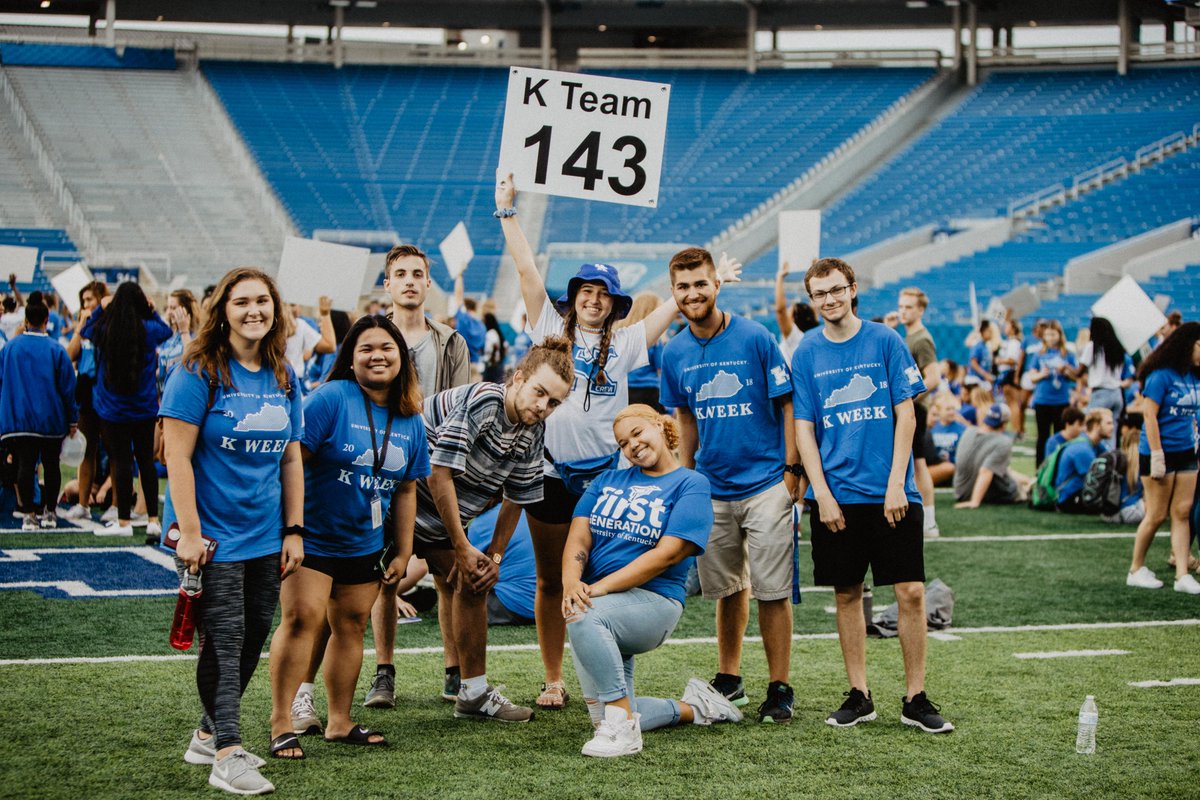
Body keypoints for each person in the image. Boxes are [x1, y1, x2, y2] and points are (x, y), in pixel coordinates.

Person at [496, 173, 683, 711]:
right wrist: (508, 212)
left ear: (615, 303)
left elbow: (675, 302)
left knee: (600, 577)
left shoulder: (626, 342)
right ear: (573, 298)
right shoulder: (548, 329)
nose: (594, 300)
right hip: (550, 471)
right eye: (586, 291)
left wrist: (709, 281)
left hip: (607, 477)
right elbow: (526, 270)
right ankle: (554, 678)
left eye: (603, 294)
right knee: (550, 579)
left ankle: (606, 682)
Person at [791, 256, 953, 734]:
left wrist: (897, 483)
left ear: (853, 289)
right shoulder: (807, 351)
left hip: (893, 492)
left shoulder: (886, 340)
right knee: (847, 593)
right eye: (820, 293)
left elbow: (907, 414)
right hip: (837, 495)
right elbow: (804, 428)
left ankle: (915, 698)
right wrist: (820, 493)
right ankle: (859, 695)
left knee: (911, 592)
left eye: (836, 289)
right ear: (811, 299)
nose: (830, 299)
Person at [162, 266, 304, 796]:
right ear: (222, 310)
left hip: (266, 534)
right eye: (241, 302)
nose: (254, 311)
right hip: (213, 537)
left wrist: (294, 529)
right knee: (224, 642)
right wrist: (189, 533)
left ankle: (205, 735)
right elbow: (176, 456)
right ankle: (227, 753)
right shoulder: (197, 371)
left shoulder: (284, 374)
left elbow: (291, 458)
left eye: (263, 301)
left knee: (252, 640)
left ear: (275, 309)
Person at [267, 315, 429, 759]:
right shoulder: (332, 398)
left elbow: (407, 489)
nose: (378, 356)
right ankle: (281, 722)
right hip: (313, 538)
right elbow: (291, 461)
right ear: (351, 358)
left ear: (402, 357)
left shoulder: (411, 417)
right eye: (366, 349)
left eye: (387, 348)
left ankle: (339, 721)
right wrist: (291, 529)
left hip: (365, 545)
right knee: (301, 619)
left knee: (352, 627)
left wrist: (404, 550)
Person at [660, 246, 799, 723]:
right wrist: (687, 477)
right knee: (727, 588)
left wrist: (791, 469)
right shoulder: (674, 351)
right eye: (683, 286)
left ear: (716, 284)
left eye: (700, 283)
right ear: (673, 291)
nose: (693, 293)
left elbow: (786, 403)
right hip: (712, 486)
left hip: (765, 482)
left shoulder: (756, 336)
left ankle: (779, 686)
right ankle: (730, 677)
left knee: (772, 590)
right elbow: (684, 417)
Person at [562, 405, 741, 758]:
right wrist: (571, 582)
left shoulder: (691, 483)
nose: (632, 445)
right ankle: (697, 707)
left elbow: (668, 554)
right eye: (623, 443)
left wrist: (599, 588)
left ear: (660, 425)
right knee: (602, 718)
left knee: (582, 614)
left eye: (637, 433)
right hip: (602, 602)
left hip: (654, 601)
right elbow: (578, 538)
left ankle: (625, 732)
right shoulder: (606, 480)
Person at [415, 337, 574, 722]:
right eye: (539, 392)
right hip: (400, 500)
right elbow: (438, 474)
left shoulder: (534, 430)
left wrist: (494, 557)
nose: (543, 406)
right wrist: (461, 545)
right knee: (348, 593)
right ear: (518, 379)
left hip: (438, 515)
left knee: (475, 579)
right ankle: (302, 696)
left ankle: (472, 694)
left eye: (554, 402)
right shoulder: (487, 400)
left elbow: (517, 497)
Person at [359, 243, 471, 711]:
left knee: (450, 576)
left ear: (428, 282)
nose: (409, 281)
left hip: (437, 471)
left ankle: (455, 671)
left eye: (417, 273)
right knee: (386, 576)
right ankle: (384, 672)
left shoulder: (452, 342)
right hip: (384, 472)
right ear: (387, 283)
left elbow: (463, 406)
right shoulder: (370, 337)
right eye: (400, 273)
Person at [84, 282, 172, 537]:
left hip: (113, 410)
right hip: (144, 408)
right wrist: (151, 311)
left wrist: (100, 309)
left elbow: (86, 330)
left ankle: (123, 521)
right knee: (145, 462)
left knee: (121, 463)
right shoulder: (149, 328)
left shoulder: (105, 328)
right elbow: (166, 331)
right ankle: (153, 520)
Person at [1126, 322, 1200, 594]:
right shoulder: (1160, 376)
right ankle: (1136, 569)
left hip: (1186, 451)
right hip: (1159, 452)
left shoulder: (1194, 376)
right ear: (1187, 345)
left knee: (1182, 512)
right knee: (1156, 514)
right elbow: (1149, 415)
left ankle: (1182, 575)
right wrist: (1157, 454)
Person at [0, 298, 77, 530]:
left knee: (25, 465)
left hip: (20, 420)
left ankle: (28, 515)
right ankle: (50, 513)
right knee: (52, 466)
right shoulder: (56, 349)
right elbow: (68, 388)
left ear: (25, 320)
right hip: (51, 420)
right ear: (46, 320)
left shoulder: (10, 348)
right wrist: (72, 418)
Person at [62, 281, 109, 521]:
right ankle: (83, 504)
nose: (86, 304)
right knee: (87, 449)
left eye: (90, 299)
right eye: (83, 301)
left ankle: (118, 506)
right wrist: (79, 328)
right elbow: (69, 356)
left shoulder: (109, 322)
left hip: (107, 391)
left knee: (114, 449)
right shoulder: (84, 326)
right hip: (86, 391)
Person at [897, 287, 941, 538]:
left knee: (919, 463)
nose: (903, 311)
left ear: (921, 310)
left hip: (916, 410)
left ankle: (929, 521)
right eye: (901, 306)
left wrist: (908, 400)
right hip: (912, 408)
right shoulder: (910, 336)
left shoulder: (921, 339)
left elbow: (933, 377)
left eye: (909, 307)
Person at [953, 404, 1032, 508]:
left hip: (961, 491)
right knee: (1014, 484)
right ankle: (1027, 487)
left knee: (1002, 468)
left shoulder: (968, 431)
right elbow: (986, 471)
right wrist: (975, 501)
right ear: (1004, 424)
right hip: (987, 492)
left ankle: (1028, 481)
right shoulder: (1003, 442)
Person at [1026, 319, 1079, 467]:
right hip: (1042, 400)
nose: (1050, 338)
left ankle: (1059, 466)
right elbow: (1032, 377)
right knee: (1042, 436)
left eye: (1053, 334)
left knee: (1060, 435)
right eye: (1047, 334)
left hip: (1061, 401)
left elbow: (1076, 376)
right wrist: (1042, 374)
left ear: (1060, 335)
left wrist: (1066, 370)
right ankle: (1040, 468)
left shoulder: (1067, 354)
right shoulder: (1039, 354)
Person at [1080, 317, 1133, 451]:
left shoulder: (1092, 347)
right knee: (1110, 432)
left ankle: (1092, 456)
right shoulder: (1118, 347)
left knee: (1091, 428)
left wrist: (1067, 370)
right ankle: (1109, 458)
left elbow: (1079, 371)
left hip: (1100, 393)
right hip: (1117, 393)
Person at [1055, 409, 1115, 513]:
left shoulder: (1095, 444)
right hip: (1069, 499)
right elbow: (1097, 478)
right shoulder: (1082, 448)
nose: (1112, 427)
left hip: (1079, 492)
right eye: (1108, 423)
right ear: (1096, 425)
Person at [621, 292, 668, 413]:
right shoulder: (655, 340)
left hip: (625, 390)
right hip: (649, 390)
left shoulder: (623, 336)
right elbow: (660, 370)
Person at [282, 297, 335, 390]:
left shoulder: (299, 325)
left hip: (293, 382)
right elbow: (329, 346)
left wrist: (325, 314)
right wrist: (325, 314)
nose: (295, 308)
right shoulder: (297, 324)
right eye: (291, 305)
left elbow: (329, 346)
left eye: (293, 305)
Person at [157, 289, 200, 395]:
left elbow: (193, 363)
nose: (169, 312)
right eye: (168, 307)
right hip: (164, 398)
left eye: (173, 308)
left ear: (186, 310)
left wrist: (184, 330)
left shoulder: (196, 337)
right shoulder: (169, 338)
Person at [775, 261, 819, 363]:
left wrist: (780, 277)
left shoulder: (794, 336)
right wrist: (814, 272)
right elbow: (815, 306)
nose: (786, 312)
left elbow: (780, 310)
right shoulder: (813, 332)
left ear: (794, 318)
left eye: (789, 311)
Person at [927, 394, 966, 487]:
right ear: (939, 411)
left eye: (953, 409)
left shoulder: (962, 429)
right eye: (948, 409)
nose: (951, 412)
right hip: (937, 466)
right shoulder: (933, 428)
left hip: (955, 468)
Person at [964, 319, 998, 390]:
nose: (991, 333)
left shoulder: (986, 346)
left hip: (982, 381)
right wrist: (985, 375)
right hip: (975, 380)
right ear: (983, 332)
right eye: (989, 331)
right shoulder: (978, 345)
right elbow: (973, 362)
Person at [482, 312, 508, 383]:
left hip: (491, 365)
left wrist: (492, 357)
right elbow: (506, 346)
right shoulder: (497, 332)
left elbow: (492, 346)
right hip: (498, 364)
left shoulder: (490, 333)